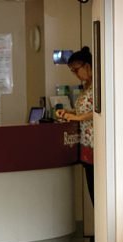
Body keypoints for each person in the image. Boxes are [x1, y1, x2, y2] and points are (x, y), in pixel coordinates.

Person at [56, 47, 94, 210]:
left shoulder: (100, 86)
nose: (76, 75)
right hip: (87, 147)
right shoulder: (86, 87)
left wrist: (77, 118)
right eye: (73, 71)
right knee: (93, 191)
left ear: (88, 66)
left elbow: (101, 112)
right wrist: (69, 113)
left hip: (97, 144)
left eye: (77, 70)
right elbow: (84, 110)